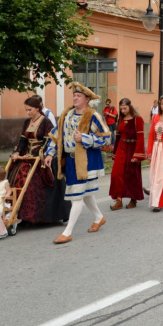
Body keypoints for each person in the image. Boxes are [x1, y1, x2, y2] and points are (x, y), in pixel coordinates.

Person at [44, 82, 111, 244]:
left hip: (86, 162)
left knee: (77, 196)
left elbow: (107, 137)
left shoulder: (93, 115)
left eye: (78, 96)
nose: (75, 98)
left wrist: (85, 138)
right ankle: (99, 217)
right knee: (84, 192)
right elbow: (56, 134)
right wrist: (49, 152)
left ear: (87, 99)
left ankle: (68, 232)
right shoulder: (67, 114)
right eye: (74, 95)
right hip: (70, 161)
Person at [9, 96, 70, 224]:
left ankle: (39, 216)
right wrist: (16, 152)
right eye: (26, 110)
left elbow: (49, 141)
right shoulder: (27, 122)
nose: (27, 112)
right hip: (27, 156)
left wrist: (38, 154)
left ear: (37, 109)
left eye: (29, 110)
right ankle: (21, 215)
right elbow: (23, 140)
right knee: (17, 177)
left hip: (41, 157)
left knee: (33, 183)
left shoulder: (46, 122)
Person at [109, 97, 146, 210]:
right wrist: (114, 152)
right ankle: (118, 199)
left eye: (125, 108)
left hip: (133, 148)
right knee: (116, 174)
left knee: (132, 174)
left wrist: (137, 155)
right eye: (121, 109)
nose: (123, 111)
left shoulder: (137, 119)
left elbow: (140, 137)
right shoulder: (120, 119)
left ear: (130, 107)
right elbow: (118, 137)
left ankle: (133, 199)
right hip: (122, 147)